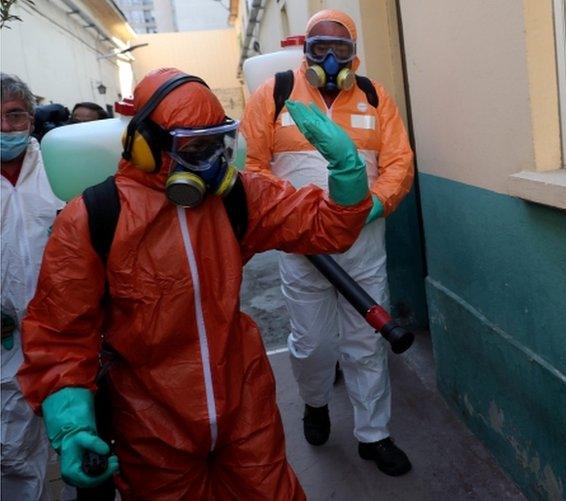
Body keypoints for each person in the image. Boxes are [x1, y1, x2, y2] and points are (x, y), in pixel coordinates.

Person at [17, 67, 373, 499]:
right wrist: (72, 424)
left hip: (244, 404)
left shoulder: (235, 197)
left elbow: (327, 228)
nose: (210, 161)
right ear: (145, 144)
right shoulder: (95, 216)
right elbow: (59, 335)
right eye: (193, 146)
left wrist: (348, 172)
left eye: (217, 142)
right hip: (152, 420)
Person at [242, 9, 415, 476]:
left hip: (363, 245)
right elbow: (252, 169)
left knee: (366, 342)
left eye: (341, 50)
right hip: (302, 250)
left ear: (354, 56)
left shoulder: (376, 97)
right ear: (306, 52)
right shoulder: (274, 94)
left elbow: (399, 162)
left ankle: (373, 435)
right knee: (313, 343)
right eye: (321, 48)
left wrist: (374, 205)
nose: (332, 59)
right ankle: (315, 402)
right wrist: (288, 218)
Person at [1, 73, 60, 500]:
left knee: (83, 427)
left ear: (32, 119)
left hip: (64, 327)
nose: (6, 128)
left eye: (14, 114)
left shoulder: (58, 166)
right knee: (11, 445)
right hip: (4, 337)